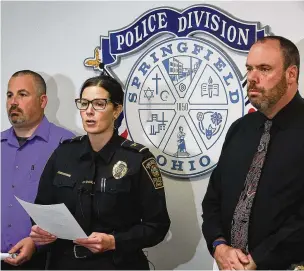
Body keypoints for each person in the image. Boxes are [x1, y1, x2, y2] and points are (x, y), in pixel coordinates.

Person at [14, 74, 170, 270]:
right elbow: (42, 207)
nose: (89, 112)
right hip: (65, 264)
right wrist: (41, 231)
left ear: (117, 110)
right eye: (84, 103)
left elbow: (157, 226)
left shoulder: (137, 158)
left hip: (117, 264)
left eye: (98, 104)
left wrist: (114, 241)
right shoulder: (64, 153)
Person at [202, 36, 304, 270]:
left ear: (291, 74)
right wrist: (219, 245)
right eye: (249, 68)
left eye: (264, 69)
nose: (252, 78)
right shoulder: (240, 129)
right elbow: (213, 200)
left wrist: (259, 258)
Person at [1, 70, 75, 269]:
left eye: (22, 94)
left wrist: (35, 243)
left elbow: (76, 208)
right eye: (9, 95)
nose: (13, 102)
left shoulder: (67, 145)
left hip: (45, 262)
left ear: (43, 101)